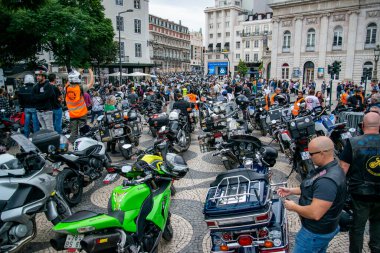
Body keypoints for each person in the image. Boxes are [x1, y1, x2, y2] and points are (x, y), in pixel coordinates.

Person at [278, 136, 346, 253]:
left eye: (312, 153)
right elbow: (313, 186)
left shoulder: (327, 181)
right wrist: (291, 191)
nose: (309, 156)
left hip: (315, 233)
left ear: (322, 153)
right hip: (324, 229)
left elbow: (315, 213)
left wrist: (293, 207)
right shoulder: (331, 167)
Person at [339, 112, 380, 253]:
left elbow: (342, 170)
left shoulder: (353, 143)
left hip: (360, 194)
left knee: (357, 228)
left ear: (362, 125)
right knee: (378, 225)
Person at [65, 69, 94, 142]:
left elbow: (69, 81)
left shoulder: (67, 88)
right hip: (81, 114)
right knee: (83, 132)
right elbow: (91, 83)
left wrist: (78, 72)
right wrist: (91, 73)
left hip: (72, 115)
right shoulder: (81, 88)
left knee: (73, 134)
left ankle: (72, 148)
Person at [32, 66, 54, 130]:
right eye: (37, 75)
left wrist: (38, 97)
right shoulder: (35, 86)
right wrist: (40, 97)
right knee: (44, 129)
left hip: (47, 111)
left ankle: (52, 140)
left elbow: (46, 96)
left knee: (50, 129)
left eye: (39, 75)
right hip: (39, 111)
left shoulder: (48, 85)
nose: (37, 77)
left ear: (43, 77)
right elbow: (33, 97)